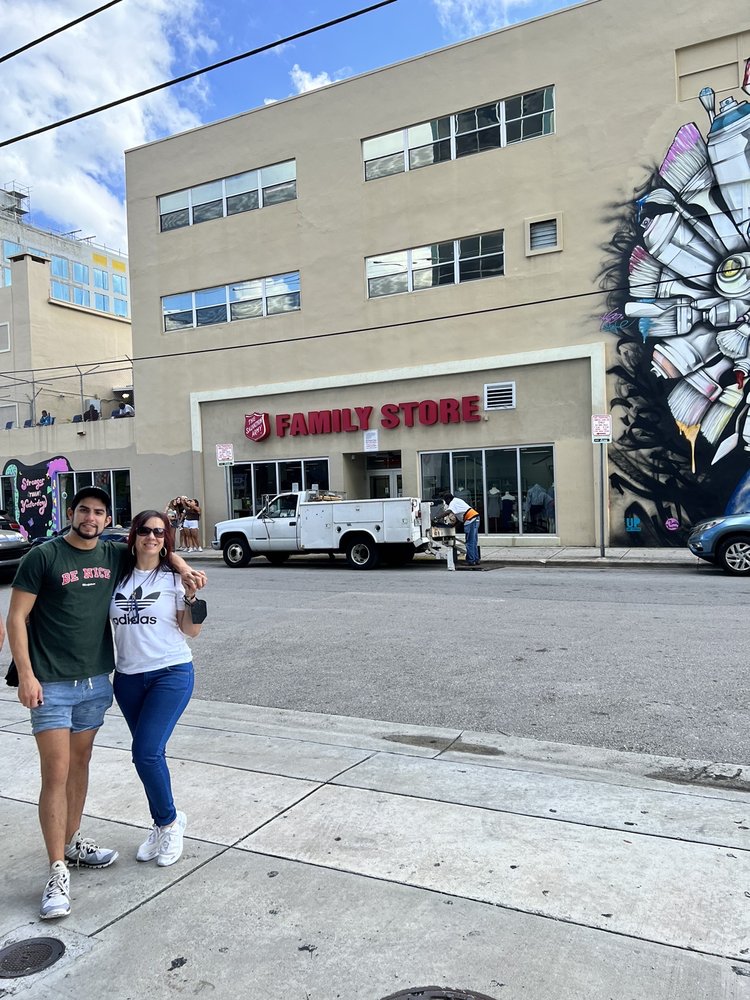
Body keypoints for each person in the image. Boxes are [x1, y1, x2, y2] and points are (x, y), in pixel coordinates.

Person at [7, 487, 206, 921]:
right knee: (56, 773)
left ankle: (80, 841)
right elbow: (16, 616)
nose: (91, 518)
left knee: (87, 765)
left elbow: (159, 552)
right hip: (56, 683)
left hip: (101, 682)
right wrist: (25, 674)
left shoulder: (116, 556)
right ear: (71, 512)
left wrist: (183, 567)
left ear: (107, 520)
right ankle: (57, 869)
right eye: (84, 510)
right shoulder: (46, 556)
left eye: (99, 512)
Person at [110, 510, 204, 868]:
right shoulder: (116, 573)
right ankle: (163, 821)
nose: (152, 537)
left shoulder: (174, 578)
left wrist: (191, 596)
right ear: (134, 535)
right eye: (146, 531)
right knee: (148, 756)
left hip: (171, 674)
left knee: (146, 752)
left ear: (166, 539)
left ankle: (169, 823)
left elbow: (191, 631)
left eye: (160, 532)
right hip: (128, 679)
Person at [442, 491, 481, 566]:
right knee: (473, 541)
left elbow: (448, 512)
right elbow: (460, 518)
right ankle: (476, 559)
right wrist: (453, 525)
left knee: (469, 542)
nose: (446, 503)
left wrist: (436, 518)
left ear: (448, 499)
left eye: (446, 501)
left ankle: (471, 561)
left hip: (470, 519)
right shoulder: (457, 500)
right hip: (475, 517)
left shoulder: (453, 502)